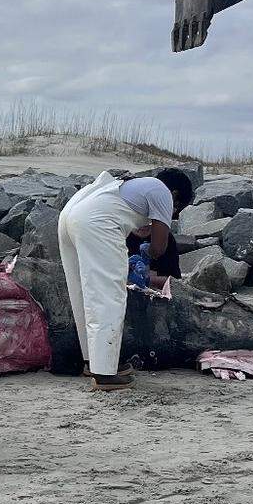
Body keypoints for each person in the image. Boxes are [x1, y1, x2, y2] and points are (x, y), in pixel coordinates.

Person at [57, 167, 194, 390]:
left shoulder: (133, 186)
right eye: (176, 208)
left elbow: (136, 227)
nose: (173, 212)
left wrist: (147, 232)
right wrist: (148, 253)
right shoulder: (163, 192)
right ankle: (104, 375)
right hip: (96, 223)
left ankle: (93, 361)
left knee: (82, 291)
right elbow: (160, 246)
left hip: (71, 215)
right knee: (108, 296)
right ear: (175, 194)